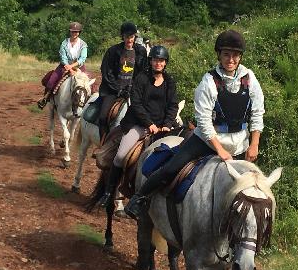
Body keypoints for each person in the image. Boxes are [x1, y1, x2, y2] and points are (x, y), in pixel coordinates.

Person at [124, 29, 264, 218]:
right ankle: (139, 198)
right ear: (219, 55)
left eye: (235, 55)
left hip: (239, 143)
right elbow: (204, 122)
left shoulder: (250, 79)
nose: (231, 59)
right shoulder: (209, 81)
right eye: (226, 54)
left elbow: (257, 113)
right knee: (172, 168)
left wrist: (254, 144)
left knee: (254, 189)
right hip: (206, 141)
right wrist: (220, 150)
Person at [98, 45, 180, 207]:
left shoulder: (170, 82)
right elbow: (136, 104)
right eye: (156, 60)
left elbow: (173, 105)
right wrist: (149, 124)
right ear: (150, 61)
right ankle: (109, 192)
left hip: (162, 129)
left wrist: (167, 124)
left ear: (165, 63)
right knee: (121, 156)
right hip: (138, 125)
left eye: (161, 61)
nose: (158, 63)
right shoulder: (141, 79)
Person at [97, 21, 148, 140]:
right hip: (112, 90)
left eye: (131, 37)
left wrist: (135, 88)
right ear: (122, 36)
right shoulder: (113, 51)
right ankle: (103, 143)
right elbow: (107, 72)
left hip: (133, 90)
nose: (129, 40)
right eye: (127, 37)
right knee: (103, 117)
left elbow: (143, 72)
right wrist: (118, 89)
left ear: (135, 37)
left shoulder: (141, 51)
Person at [37, 22, 88, 109]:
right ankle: (46, 98)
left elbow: (82, 58)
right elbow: (63, 57)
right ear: (70, 32)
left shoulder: (83, 44)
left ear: (79, 32)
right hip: (64, 65)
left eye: (76, 32)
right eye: (73, 31)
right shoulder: (64, 43)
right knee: (51, 80)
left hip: (78, 66)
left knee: (88, 83)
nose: (74, 33)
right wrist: (68, 67)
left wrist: (71, 67)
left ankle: (88, 103)